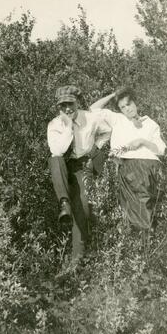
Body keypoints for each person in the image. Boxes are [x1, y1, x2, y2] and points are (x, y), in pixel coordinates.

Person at [47, 85, 111, 260]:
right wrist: (68, 127)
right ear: (58, 107)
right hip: (64, 167)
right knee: (54, 159)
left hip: (83, 166)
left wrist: (94, 149)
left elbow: (107, 131)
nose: (67, 109)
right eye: (63, 105)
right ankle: (64, 203)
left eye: (71, 104)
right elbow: (57, 151)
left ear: (77, 103)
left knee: (82, 210)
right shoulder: (54, 124)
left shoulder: (91, 118)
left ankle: (77, 260)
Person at [90, 87, 166, 232]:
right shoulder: (118, 119)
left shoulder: (150, 123)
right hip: (127, 167)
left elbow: (161, 150)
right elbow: (93, 109)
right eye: (122, 107)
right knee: (131, 209)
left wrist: (142, 141)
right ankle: (143, 243)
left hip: (146, 166)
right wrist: (114, 94)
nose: (127, 109)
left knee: (140, 208)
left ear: (135, 103)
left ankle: (144, 244)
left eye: (129, 104)